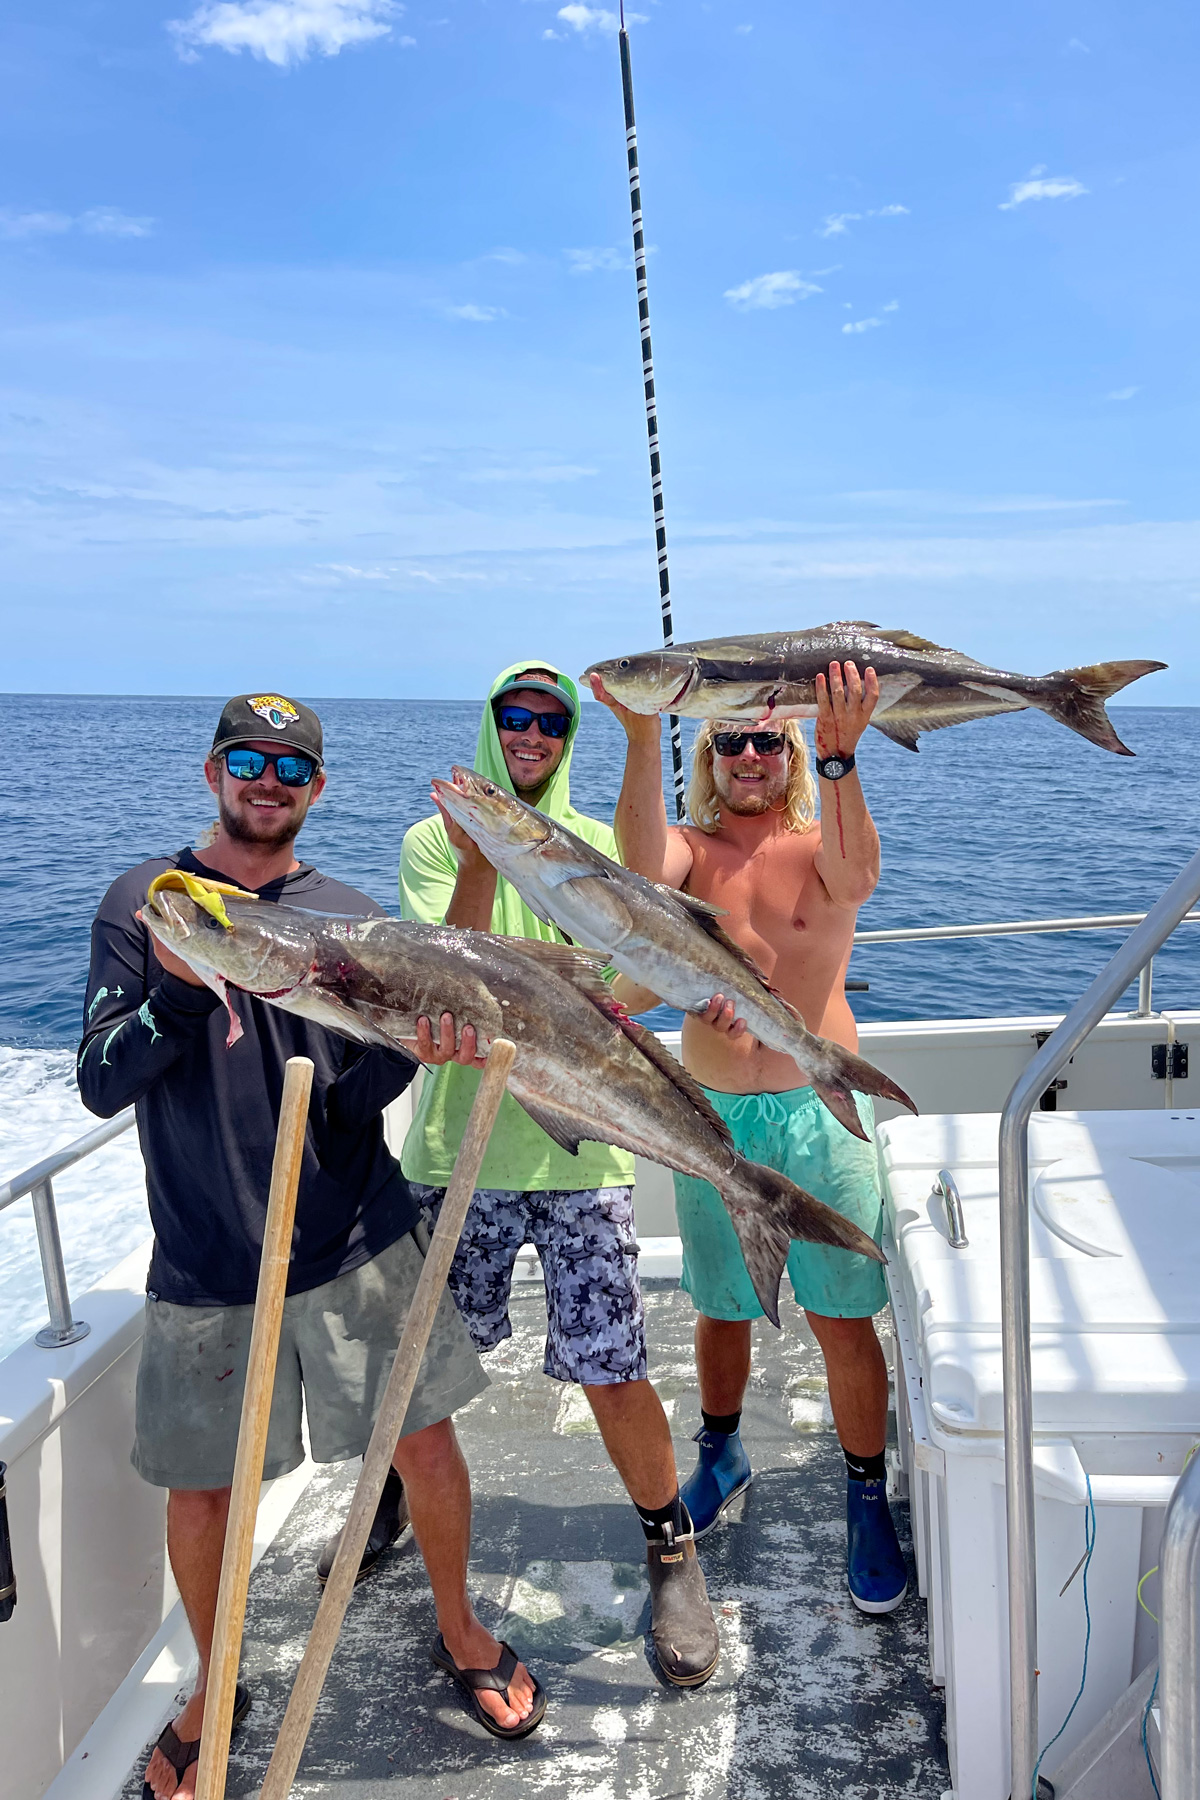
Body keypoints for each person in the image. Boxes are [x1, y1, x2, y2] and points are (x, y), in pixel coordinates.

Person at [79, 694, 544, 1800]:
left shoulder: (345, 915)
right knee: (202, 1494)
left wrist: (418, 1050)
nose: (268, 779)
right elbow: (102, 1079)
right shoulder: (153, 905)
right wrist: (183, 993)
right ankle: (212, 1681)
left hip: (352, 1236)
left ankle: (462, 1626)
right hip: (206, 1254)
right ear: (212, 772)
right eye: (249, 759)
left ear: (316, 789)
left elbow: (359, 1087)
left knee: (420, 1444)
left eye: (291, 767)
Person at [399, 660, 720, 1687]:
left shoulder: (591, 843)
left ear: (567, 734)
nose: (530, 731)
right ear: (489, 725)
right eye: (512, 715)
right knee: (422, 1380)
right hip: (463, 1150)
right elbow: (451, 969)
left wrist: (639, 733)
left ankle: (672, 1549)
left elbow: (630, 956)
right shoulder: (431, 842)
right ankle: (385, 1519)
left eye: (549, 718)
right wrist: (481, 852)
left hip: (584, 1145)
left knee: (614, 1364)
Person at [593, 660, 908, 1615]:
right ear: (711, 758)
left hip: (821, 1114)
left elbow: (859, 876)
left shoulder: (822, 841)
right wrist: (644, 731)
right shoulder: (690, 850)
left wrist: (845, 754)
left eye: (769, 740)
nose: (750, 755)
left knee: (842, 1313)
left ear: (793, 754)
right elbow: (642, 880)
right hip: (715, 1114)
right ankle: (722, 1454)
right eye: (730, 740)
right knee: (722, 1303)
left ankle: (865, 1495)